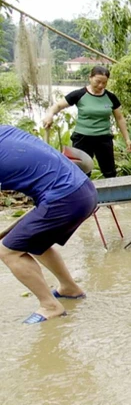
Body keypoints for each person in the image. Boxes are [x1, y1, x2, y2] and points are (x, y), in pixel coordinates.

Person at [0, 125, 98, 324]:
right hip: (85, 190)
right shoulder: (5, 131)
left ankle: (50, 305)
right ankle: (69, 288)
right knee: (34, 243)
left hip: (64, 197)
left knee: (8, 251)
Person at [43, 66, 131, 178]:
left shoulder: (110, 97)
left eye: (104, 83)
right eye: (98, 82)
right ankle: (80, 194)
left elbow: (120, 118)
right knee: (81, 173)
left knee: (110, 172)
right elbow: (58, 105)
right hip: (82, 139)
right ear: (90, 78)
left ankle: (111, 193)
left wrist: (127, 139)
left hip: (103, 139)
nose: (101, 85)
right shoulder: (79, 94)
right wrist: (50, 114)